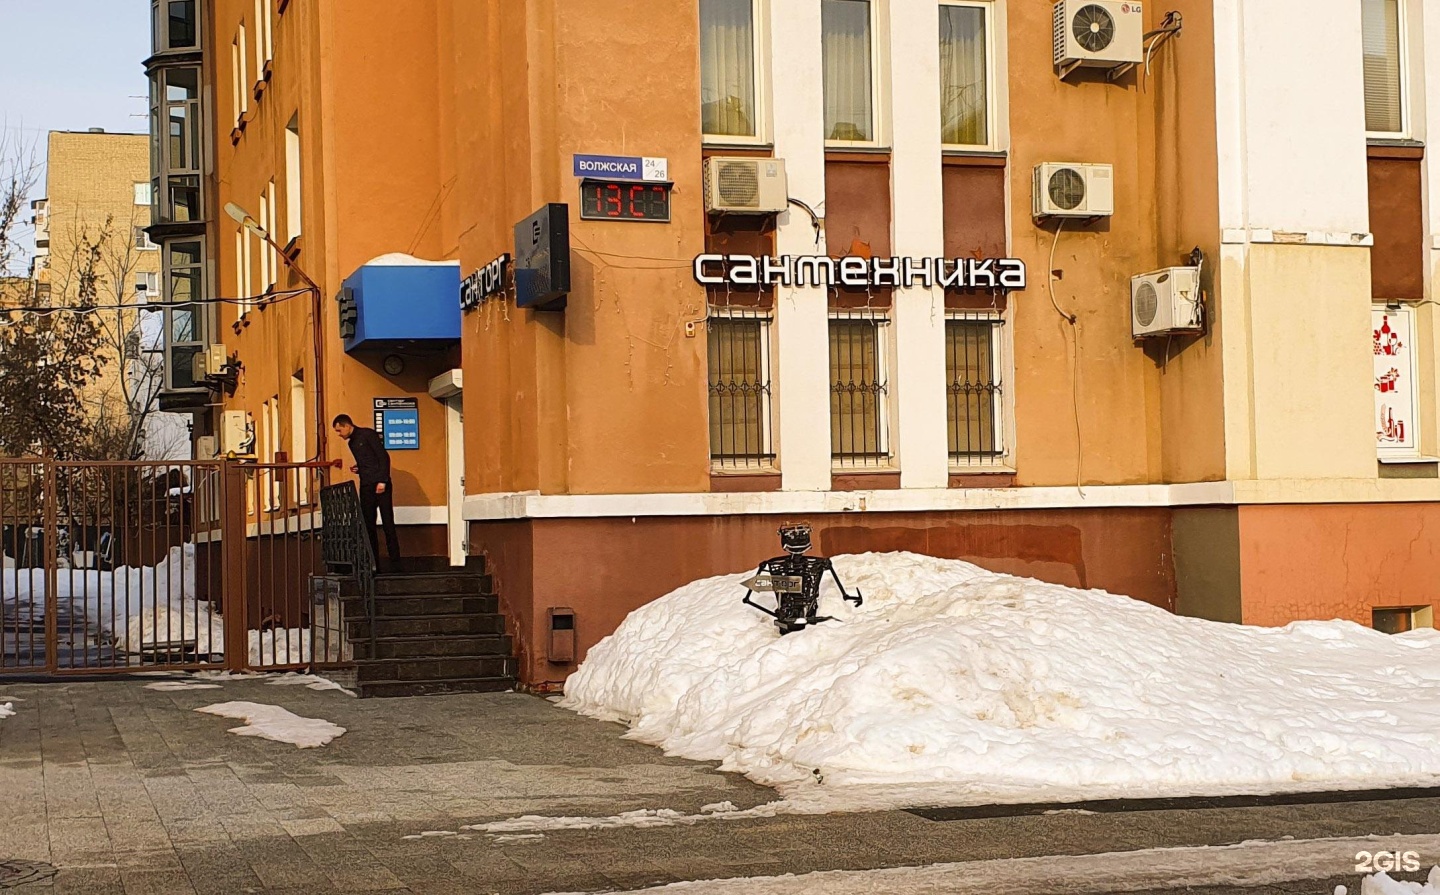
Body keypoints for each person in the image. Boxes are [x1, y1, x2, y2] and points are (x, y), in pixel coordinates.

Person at [332, 414, 401, 569]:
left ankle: (395, 562)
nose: (339, 434)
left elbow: (383, 457)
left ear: (347, 426)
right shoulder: (352, 443)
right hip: (366, 485)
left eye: (339, 430)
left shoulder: (367, 434)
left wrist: (382, 480)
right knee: (368, 524)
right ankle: (373, 562)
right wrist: (359, 467)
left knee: (387, 522)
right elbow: (368, 460)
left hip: (380, 484)